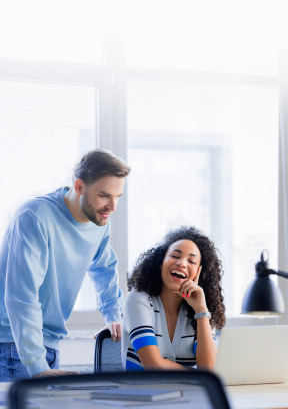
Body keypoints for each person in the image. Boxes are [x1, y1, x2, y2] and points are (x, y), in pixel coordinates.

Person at [0, 148, 130, 381]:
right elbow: (22, 297)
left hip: (49, 345)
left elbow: (105, 267)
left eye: (118, 196)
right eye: (104, 195)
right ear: (79, 187)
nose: (113, 206)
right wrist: (37, 365)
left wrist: (113, 314)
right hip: (11, 345)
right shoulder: (34, 217)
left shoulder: (99, 221)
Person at [122, 226, 225, 371]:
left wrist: (201, 310)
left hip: (187, 393)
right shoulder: (138, 299)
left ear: (199, 273)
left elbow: (209, 368)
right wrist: (199, 377)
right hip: (142, 392)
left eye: (192, 261)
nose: (182, 263)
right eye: (175, 256)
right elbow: (153, 365)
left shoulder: (201, 310)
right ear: (160, 263)